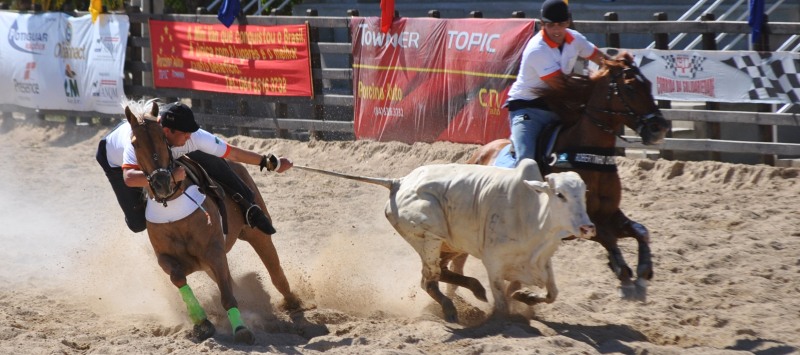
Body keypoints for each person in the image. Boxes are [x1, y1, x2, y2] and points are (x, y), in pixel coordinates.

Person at [96, 101, 291, 235]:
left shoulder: (191, 136)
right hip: (114, 160)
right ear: (167, 131)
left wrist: (267, 162)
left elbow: (232, 153)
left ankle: (249, 208)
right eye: (186, 134)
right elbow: (129, 178)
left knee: (215, 162)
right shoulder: (138, 141)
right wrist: (170, 178)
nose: (191, 136)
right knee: (138, 225)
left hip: (167, 151)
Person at [504, 0, 610, 166]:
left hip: (557, 105)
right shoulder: (537, 49)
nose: (556, 29)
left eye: (561, 24)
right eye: (551, 25)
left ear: (568, 23)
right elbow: (561, 86)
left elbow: (601, 58)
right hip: (527, 107)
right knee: (527, 161)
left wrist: (617, 68)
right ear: (542, 25)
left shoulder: (575, 38)